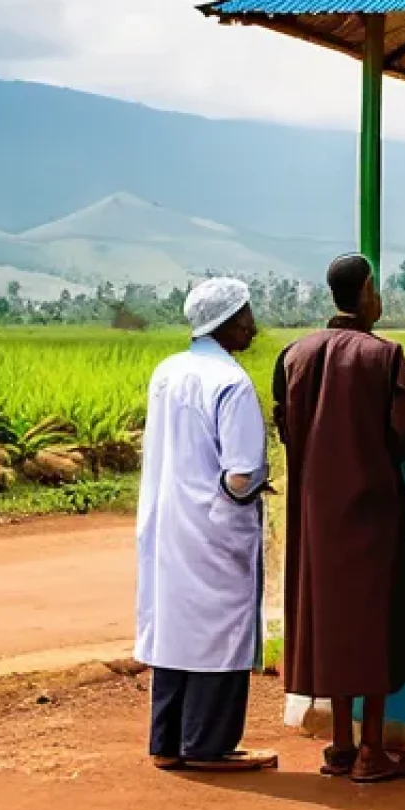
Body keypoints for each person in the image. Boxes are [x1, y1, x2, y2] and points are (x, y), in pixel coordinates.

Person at [273, 254, 405, 784]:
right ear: (365, 293)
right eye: (376, 289)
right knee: (376, 624)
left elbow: (286, 427)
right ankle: (373, 751)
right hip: (373, 508)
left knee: (334, 623)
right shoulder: (384, 357)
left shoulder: (295, 354)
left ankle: (341, 744)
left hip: (316, 515)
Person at [135, 277, 278, 773]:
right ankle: (208, 744)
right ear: (231, 322)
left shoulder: (167, 371)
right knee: (221, 628)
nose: (254, 326)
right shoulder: (232, 383)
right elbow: (241, 473)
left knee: (175, 625)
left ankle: (168, 740)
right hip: (216, 525)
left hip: (169, 517)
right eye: (247, 316)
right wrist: (255, 487)